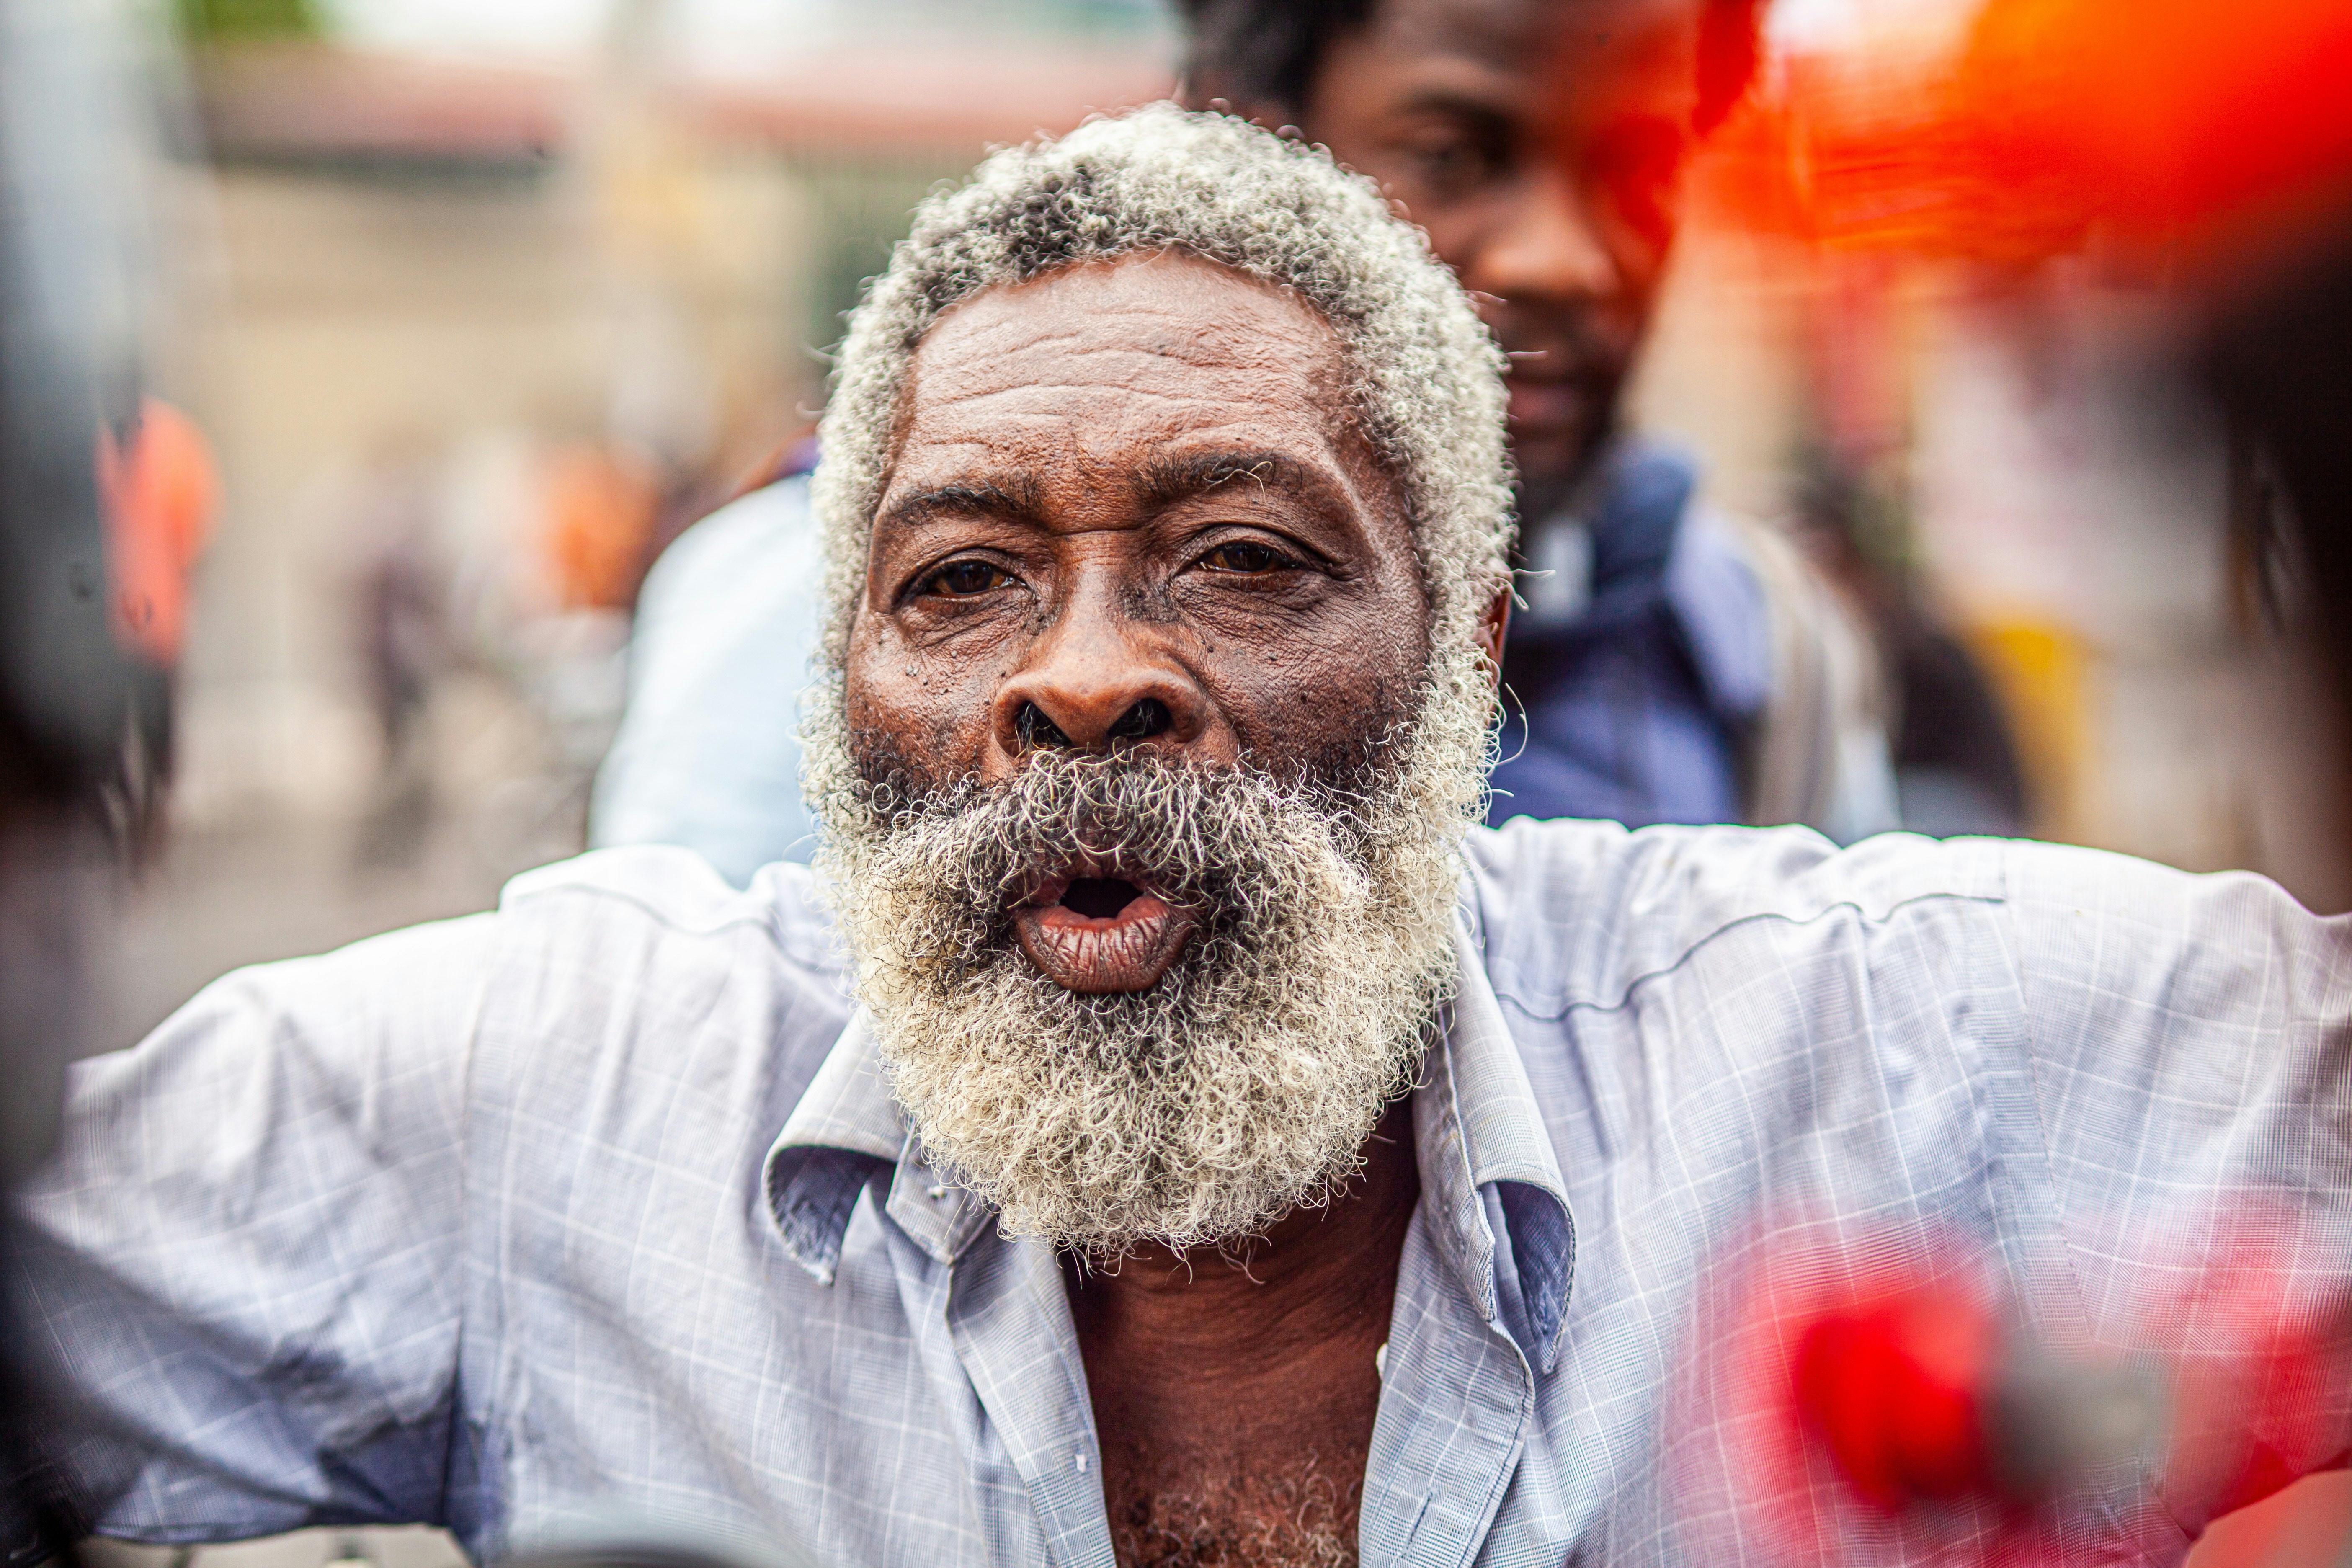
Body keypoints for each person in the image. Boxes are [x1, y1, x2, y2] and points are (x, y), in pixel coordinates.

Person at [10, 109, 2349, 1568]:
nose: (1086, 673)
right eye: (959, 581)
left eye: (1245, 557)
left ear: (1470, 657)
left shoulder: (1889, 1040)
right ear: (843, 706)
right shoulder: (563, 1098)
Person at [589, 0, 1897, 889]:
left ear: (1477, 629)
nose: (1565, 255)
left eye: (1641, 169)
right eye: (1452, 152)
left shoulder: (1747, 643)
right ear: (1250, 134)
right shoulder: (810, 615)